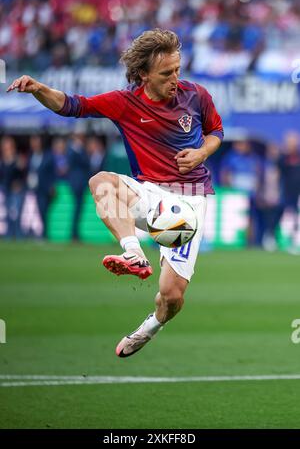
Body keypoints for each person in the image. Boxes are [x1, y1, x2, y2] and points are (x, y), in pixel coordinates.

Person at [7, 29, 224, 358]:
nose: (175, 78)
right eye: (167, 73)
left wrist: (202, 153)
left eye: (178, 69)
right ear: (143, 75)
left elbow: (215, 131)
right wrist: (38, 88)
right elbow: (71, 106)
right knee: (101, 182)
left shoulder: (196, 95)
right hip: (149, 191)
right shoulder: (124, 103)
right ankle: (133, 253)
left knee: (171, 296)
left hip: (190, 198)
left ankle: (151, 327)